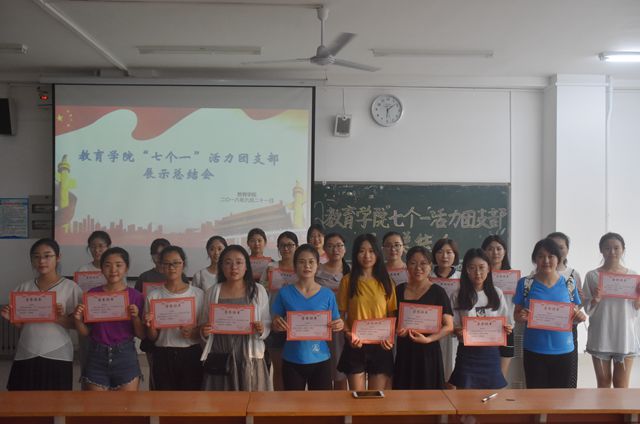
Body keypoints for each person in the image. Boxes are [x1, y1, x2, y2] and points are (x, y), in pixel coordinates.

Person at [1, 239, 82, 390]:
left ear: (58, 257)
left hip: (58, 351)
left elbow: (77, 325)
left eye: (47, 256)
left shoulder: (71, 287)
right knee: (22, 398)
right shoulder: (23, 288)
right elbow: (22, 325)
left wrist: (59, 318)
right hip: (27, 349)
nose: (42, 261)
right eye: (36, 257)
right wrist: (12, 319)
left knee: (56, 400)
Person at [513, 238, 586, 388]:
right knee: (536, 397)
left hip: (564, 349)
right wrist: (521, 317)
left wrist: (579, 317)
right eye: (541, 256)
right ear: (535, 259)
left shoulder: (569, 283)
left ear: (558, 259)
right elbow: (517, 315)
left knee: (561, 397)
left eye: (551, 256)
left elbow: (574, 313)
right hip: (534, 350)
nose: (546, 260)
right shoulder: (525, 283)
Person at [271, 244, 344, 390]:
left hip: (321, 358)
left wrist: (339, 324)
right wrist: (277, 324)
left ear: (317, 265)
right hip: (292, 359)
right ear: (295, 266)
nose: (307, 266)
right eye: (301, 262)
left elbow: (336, 321)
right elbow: (275, 323)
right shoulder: (284, 293)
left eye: (311, 262)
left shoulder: (327, 294)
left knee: (321, 403)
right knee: (293, 403)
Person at [200, 245, 272, 391]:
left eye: (239, 262)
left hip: (249, 355)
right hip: (221, 356)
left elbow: (266, 322)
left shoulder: (258, 290)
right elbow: (203, 324)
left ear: (246, 267)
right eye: (228, 262)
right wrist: (204, 331)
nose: (234, 267)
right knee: (221, 402)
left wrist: (262, 329)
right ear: (221, 267)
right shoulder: (212, 292)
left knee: (252, 401)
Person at [74, 247, 145, 391]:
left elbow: (142, 335)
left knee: (127, 404)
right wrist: (77, 319)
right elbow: (85, 332)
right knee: (96, 405)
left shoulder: (136, 296)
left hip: (125, 355)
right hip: (96, 355)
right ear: (101, 269)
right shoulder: (92, 294)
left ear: (126, 268)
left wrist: (135, 317)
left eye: (118, 265)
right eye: (107, 265)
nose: (113, 270)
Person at [337, 233, 397, 391]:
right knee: (357, 397)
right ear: (355, 254)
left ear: (377, 253)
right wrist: (348, 334)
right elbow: (340, 316)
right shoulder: (347, 281)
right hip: (355, 345)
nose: (367, 256)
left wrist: (390, 338)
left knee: (375, 397)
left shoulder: (387, 282)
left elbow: (391, 316)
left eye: (371, 251)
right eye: (362, 251)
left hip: (381, 346)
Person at [449, 248, 512, 389]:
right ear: (466, 270)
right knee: (465, 395)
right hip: (467, 353)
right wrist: (458, 330)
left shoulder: (497, 293)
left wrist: (506, 328)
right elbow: (453, 325)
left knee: (490, 396)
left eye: (482, 267)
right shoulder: (457, 295)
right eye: (472, 268)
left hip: (490, 353)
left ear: (489, 268)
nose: (477, 272)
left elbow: (504, 320)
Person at [583, 232, 640, 388]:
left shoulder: (633, 276)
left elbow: (636, 308)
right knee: (603, 384)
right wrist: (595, 299)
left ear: (623, 250)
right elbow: (587, 308)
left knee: (622, 385)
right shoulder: (592, 276)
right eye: (607, 248)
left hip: (625, 337)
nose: (612, 252)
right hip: (601, 336)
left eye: (616, 248)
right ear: (601, 250)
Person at [144, 246, 204, 390]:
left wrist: (193, 332)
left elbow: (204, 329)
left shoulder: (198, 294)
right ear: (161, 266)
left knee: (191, 399)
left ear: (183, 264)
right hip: (163, 354)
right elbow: (152, 337)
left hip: (191, 353)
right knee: (164, 400)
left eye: (176, 263)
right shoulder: (154, 296)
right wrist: (150, 325)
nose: (171, 267)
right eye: (167, 263)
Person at [393, 246, 453, 389]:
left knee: (428, 397)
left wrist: (428, 339)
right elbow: (392, 320)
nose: (418, 268)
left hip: (428, 353)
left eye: (423, 263)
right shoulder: (398, 290)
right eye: (413, 263)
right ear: (407, 266)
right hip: (405, 352)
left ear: (430, 266)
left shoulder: (438, 292)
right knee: (403, 396)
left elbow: (449, 326)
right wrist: (397, 330)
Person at [259, 231, 299, 390]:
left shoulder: (302, 267)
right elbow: (262, 291)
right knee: (278, 367)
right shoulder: (271, 268)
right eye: (282, 245)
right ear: (278, 248)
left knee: (296, 365)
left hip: (297, 322)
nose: (286, 248)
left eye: (290, 245)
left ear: (296, 246)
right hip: (274, 320)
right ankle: (279, 400)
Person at [547, 231, 583, 388]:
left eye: (561, 247)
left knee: (567, 376)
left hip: (567, 329)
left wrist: (580, 303)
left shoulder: (573, 274)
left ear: (567, 250)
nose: (557, 250)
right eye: (552, 246)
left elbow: (577, 305)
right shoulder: (536, 274)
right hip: (543, 329)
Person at [315, 232, 350, 390]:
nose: (335, 249)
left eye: (339, 245)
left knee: (341, 370)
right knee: (323, 369)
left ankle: (340, 403)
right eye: (330, 246)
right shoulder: (316, 270)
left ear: (345, 248)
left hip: (344, 325)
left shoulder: (352, 272)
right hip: (320, 325)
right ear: (324, 249)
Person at [481, 235, 514, 381]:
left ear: (505, 251)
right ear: (484, 251)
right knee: (483, 374)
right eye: (490, 249)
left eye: (499, 249)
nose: (495, 252)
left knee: (500, 377)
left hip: (507, 328)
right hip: (483, 328)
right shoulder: (479, 275)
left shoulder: (514, 277)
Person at [430, 238, 461, 381]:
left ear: (455, 255)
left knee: (451, 369)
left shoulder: (461, 278)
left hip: (454, 329)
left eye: (449, 252)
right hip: (431, 328)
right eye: (440, 252)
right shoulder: (427, 276)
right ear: (434, 254)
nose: (444, 256)